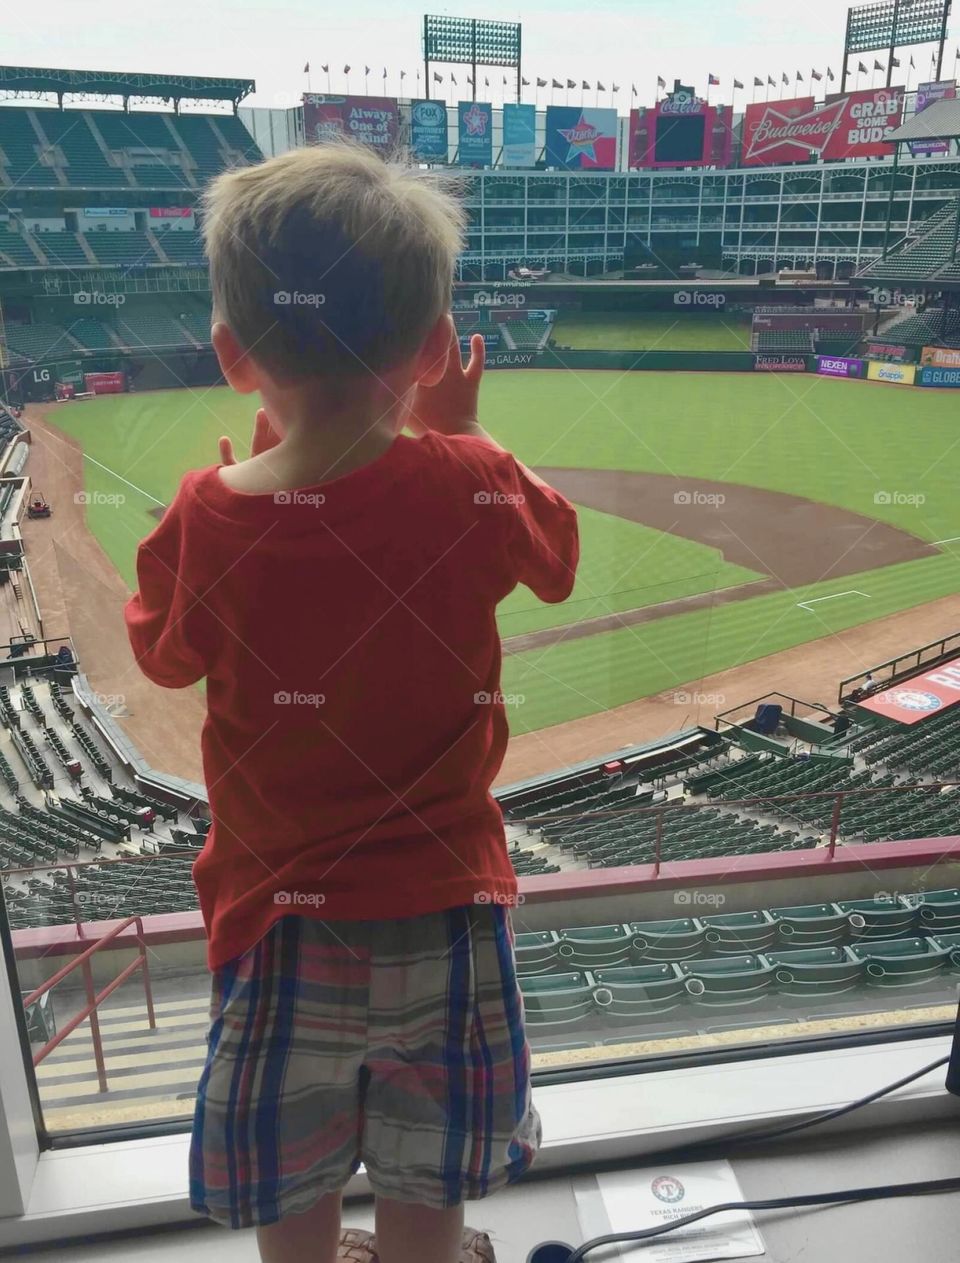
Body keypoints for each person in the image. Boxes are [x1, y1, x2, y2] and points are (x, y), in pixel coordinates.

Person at [124, 141, 579, 1263]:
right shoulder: (466, 482)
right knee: (432, 1186)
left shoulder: (203, 514)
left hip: (276, 919)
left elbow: (168, 659)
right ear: (432, 349)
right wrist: (465, 436)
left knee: (297, 1181)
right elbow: (556, 558)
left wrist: (246, 508)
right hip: (447, 905)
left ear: (236, 357)